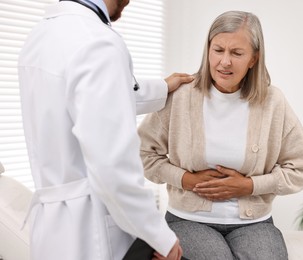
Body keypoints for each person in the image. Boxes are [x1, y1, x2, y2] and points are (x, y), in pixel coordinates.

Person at [17, 0, 194, 259]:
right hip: (91, 231)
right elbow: (113, 166)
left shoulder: (42, 35)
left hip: (51, 230)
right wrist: (161, 236)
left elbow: (89, 100)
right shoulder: (98, 43)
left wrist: (162, 87)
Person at [138, 10, 303, 260]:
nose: (225, 61)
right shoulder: (180, 96)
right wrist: (186, 179)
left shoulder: (273, 102)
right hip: (189, 220)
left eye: (236, 53)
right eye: (218, 50)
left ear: (253, 58)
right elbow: (142, 154)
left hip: (254, 222)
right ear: (208, 50)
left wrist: (250, 185)